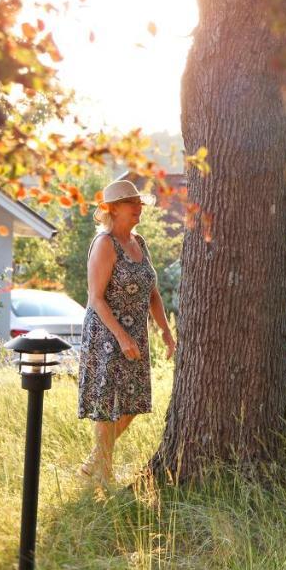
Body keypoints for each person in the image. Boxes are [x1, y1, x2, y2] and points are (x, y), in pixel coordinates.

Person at [77, 179, 176, 482]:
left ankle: (92, 462)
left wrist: (165, 331)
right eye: (131, 203)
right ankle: (103, 477)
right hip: (107, 334)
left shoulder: (139, 242)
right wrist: (121, 336)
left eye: (139, 203)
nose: (138, 208)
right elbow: (95, 298)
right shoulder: (105, 244)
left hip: (136, 335)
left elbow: (152, 292)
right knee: (107, 406)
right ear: (113, 209)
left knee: (133, 403)